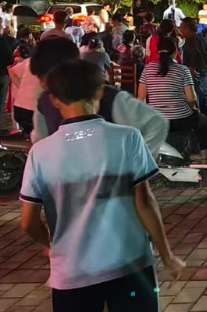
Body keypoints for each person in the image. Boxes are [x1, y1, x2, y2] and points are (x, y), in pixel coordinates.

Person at [19, 60, 184, 311]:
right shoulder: (127, 137)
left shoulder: (40, 153)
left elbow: (28, 222)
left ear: (54, 100)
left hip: (72, 272)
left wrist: (55, 246)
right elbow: (145, 202)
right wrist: (167, 255)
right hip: (131, 264)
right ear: (99, 92)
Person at [34, 38, 168, 157]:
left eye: (44, 78)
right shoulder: (45, 102)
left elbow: (155, 123)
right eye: (39, 78)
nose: (42, 84)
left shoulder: (111, 98)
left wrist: (136, 166)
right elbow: (41, 141)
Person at [139, 36, 207, 160]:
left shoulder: (147, 69)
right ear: (175, 51)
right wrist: (193, 108)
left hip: (157, 120)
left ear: (157, 51)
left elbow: (141, 99)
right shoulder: (183, 70)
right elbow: (191, 98)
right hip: (181, 120)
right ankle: (204, 155)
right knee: (203, 120)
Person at [179, 17, 207, 116]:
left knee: (195, 106)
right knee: (204, 105)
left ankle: (198, 125)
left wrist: (191, 69)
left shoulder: (190, 41)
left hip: (194, 75)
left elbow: (193, 55)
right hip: (204, 74)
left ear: (187, 29)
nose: (180, 30)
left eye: (181, 28)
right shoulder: (203, 39)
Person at [9, 45, 41, 135]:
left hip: (21, 107)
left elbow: (12, 71)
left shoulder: (30, 61)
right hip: (35, 108)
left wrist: (21, 86)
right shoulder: (55, 65)